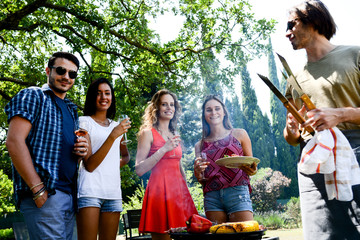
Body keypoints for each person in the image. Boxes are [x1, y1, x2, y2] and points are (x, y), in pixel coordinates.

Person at [283, 1, 360, 239]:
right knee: (321, 234)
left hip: (355, 152)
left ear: (313, 19)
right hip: (312, 161)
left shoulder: (354, 55)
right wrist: (291, 131)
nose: (287, 32)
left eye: (291, 23)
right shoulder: (294, 79)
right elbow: (291, 138)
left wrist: (340, 114)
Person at [5, 52, 89, 239]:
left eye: (72, 74)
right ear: (48, 71)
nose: (66, 77)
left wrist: (81, 149)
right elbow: (14, 141)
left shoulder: (71, 108)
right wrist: (38, 189)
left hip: (70, 196)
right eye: (61, 70)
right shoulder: (33, 95)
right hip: (46, 194)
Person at [135, 89, 198, 240]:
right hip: (159, 192)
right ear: (156, 108)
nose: (169, 108)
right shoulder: (147, 133)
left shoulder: (175, 133)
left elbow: (178, 165)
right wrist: (163, 149)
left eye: (172, 104)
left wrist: (186, 192)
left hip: (179, 193)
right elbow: (139, 169)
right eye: (164, 104)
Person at [76, 78, 131, 240]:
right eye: (98, 93)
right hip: (90, 192)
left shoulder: (117, 125)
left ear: (112, 97)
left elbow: (126, 156)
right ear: (92, 97)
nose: (103, 97)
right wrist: (113, 135)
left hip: (113, 193)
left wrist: (112, 166)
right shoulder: (83, 123)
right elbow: (90, 164)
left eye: (107, 93)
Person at [193, 95, 257, 224]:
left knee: (244, 236)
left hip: (238, 192)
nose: (214, 112)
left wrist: (247, 166)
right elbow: (202, 180)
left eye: (217, 108)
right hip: (212, 197)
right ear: (204, 115)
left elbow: (253, 169)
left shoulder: (239, 134)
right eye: (209, 109)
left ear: (224, 112)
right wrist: (198, 174)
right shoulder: (199, 145)